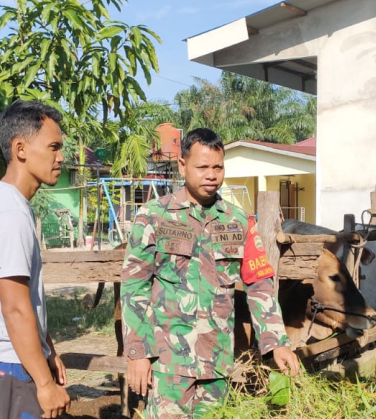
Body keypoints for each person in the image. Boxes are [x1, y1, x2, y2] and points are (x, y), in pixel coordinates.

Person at [121, 128, 300, 418]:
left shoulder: (238, 220)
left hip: (217, 364)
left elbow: (260, 285)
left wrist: (276, 342)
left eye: (218, 167)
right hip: (169, 366)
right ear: (182, 165)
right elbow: (134, 287)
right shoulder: (154, 216)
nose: (211, 175)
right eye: (202, 167)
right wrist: (137, 352)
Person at [0, 100, 71, 419]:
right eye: (53, 147)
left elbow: (26, 299)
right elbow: (14, 308)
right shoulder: (10, 214)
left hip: (9, 364)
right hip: (9, 368)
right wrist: (43, 382)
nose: (61, 157)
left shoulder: (7, 205)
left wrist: (47, 350)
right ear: (21, 149)